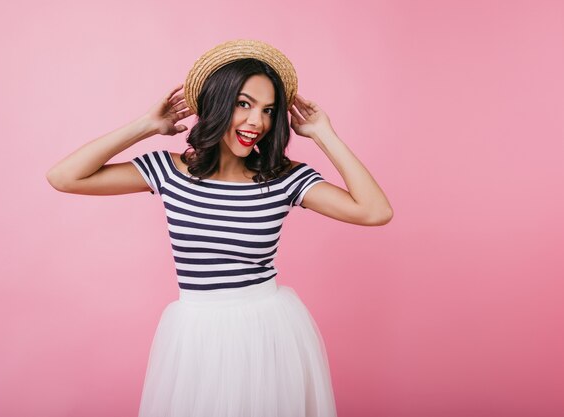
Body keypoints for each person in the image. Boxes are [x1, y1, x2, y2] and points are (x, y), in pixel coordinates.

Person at [47, 39, 393, 417]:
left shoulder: (282, 178)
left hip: (267, 333)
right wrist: (146, 126)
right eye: (243, 104)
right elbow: (64, 177)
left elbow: (375, 211)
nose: (256, 122)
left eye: (268, 110)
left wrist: (324, 134)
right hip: (196, 336)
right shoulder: (169, 171)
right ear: (216, 104)